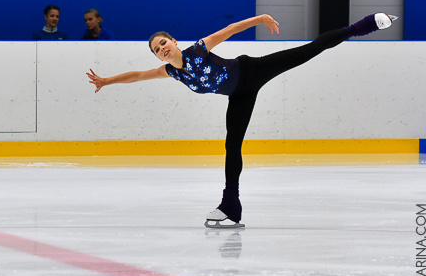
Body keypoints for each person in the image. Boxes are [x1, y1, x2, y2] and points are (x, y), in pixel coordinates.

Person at [86, 12, 398, 228]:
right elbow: (137, 75)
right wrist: (106, 81)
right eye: (157, 50)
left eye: (164, 43)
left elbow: (230, 29)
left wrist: (261, 19)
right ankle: (230, 206)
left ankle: (364, 26)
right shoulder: (171, 72)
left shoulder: (197, 49)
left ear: (174, 41)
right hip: (239, 96)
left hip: (251, 71)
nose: (162, 50)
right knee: (231, 146)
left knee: (309, 50)